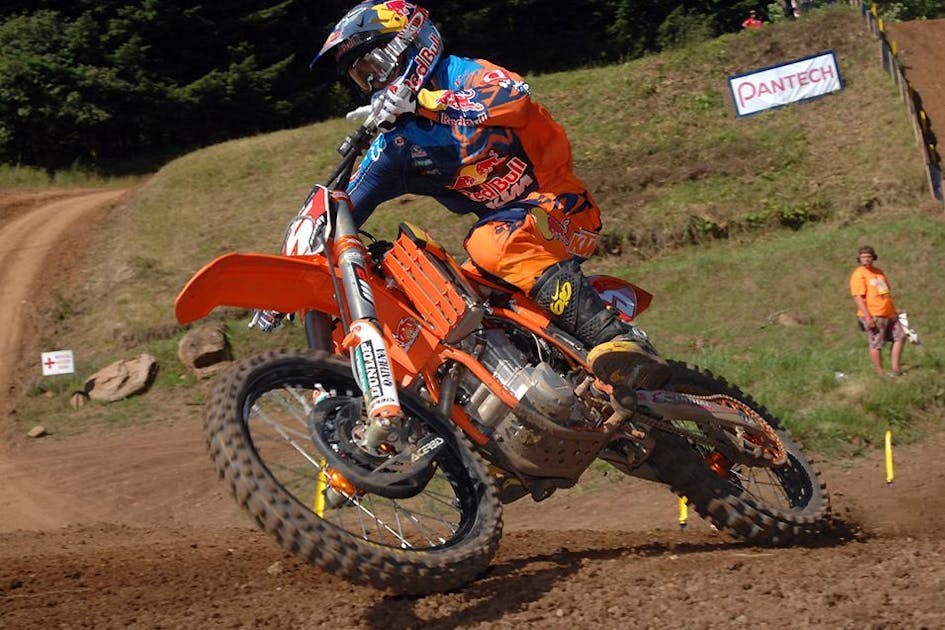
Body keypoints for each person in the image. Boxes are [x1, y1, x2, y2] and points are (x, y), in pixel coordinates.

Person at [293, 1, 671, 395]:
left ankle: (618, 338)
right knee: (446, 298)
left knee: (488, 243)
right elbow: (344, 205)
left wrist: (427, 103)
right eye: (361, 76)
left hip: (562, 206)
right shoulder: (397, 145)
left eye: (376, 65)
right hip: (510, 238)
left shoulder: (464, 74)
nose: (372, 83)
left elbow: (515, 99)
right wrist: (293, 273)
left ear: (410, 43)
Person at [849, 245, 905, 377]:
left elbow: (885, 292)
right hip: (873, 314)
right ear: (859, 259)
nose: (866, 259)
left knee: (901, 337)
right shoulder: (859, 274)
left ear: (873, 257)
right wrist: (868, 317)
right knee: (876, 343)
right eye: (863, 257)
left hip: (889, 313)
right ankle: (880, 374)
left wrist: (893, 309)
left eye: (868, 257)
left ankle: (896, 369)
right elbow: (858, 297)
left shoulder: (878, 272)